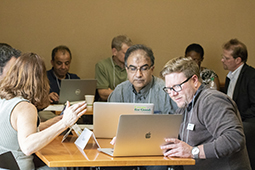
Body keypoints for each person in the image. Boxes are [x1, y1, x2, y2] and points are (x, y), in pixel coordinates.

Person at [159, 56, 251, 170]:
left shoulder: (211, 101)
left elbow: (234, 139)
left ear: (194, 80)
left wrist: (193, 152)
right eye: (168, 89)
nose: (172, 94)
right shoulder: (185, 106)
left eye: (177, 87)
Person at [0, 53, 86, 170]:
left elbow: (19, 131)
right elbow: (27, 146)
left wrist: (52, 122)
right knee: (68, 165)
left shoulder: (5, 100)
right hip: (22, 167)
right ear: (39, 79)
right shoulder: (25, 107)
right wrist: (64, 123)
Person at [108, 44, 177, 115]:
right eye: (133, 69)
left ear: (152, 69)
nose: (138, 75)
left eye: (144, 68)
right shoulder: (119, 92)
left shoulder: (166, 92)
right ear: (127, 70)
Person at [222, 38, 255, 122]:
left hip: (247, 122)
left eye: (227, 58)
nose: (222, 60)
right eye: (222, 57)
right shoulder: (229, 76)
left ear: (238, 60)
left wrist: (237, 116)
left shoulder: (251, 76)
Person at [95, 35, 132, 101]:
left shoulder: (134, 65)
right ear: (114, 51)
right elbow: (103, 94)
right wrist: (127, 93)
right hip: (108, 106)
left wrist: (111, 91)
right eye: (125, 53)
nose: (128, 56)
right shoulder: (102, 65)